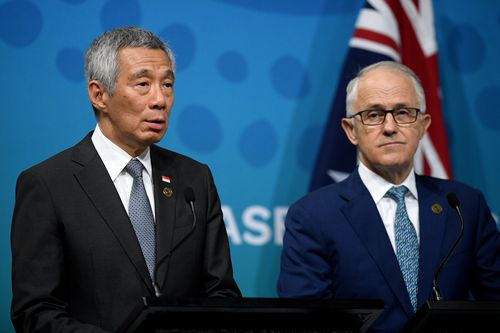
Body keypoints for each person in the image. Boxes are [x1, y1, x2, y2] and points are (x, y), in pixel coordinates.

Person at [11, 26, 241, 332]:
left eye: (168, 84)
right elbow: (35, 312)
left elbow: (222, 295)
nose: (160, 100)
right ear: (99, 94)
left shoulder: (194, 179)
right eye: (143, 84)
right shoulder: (48, 184)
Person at [277, 61, 500, 332]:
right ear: (350, 130)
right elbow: (306, 325)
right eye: (373, 115)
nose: (390, 127)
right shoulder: (313, 216)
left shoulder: (464, 206)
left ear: (423, 125)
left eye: (403, 112)